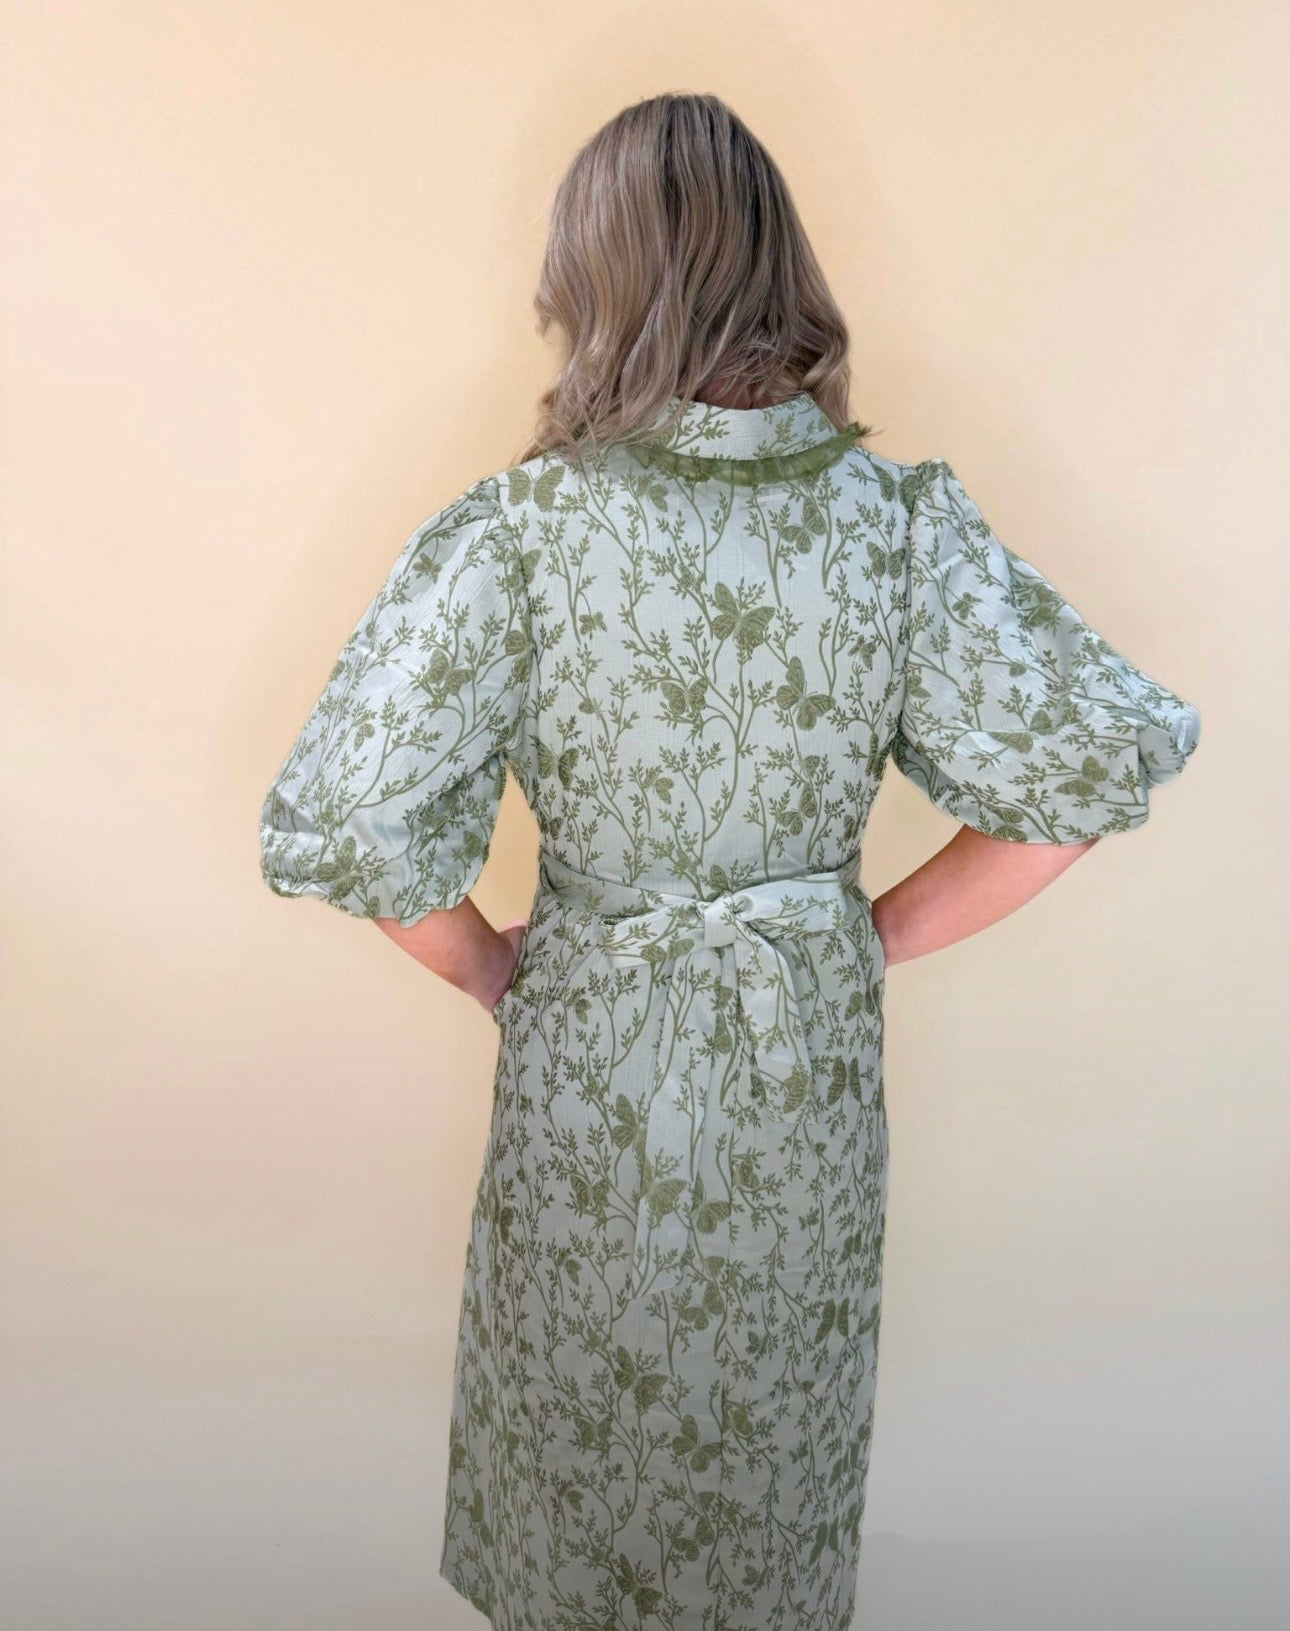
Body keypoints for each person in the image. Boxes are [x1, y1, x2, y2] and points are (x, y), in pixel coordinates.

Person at [258, 91, 1200, 1631]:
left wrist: (502, 965)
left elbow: (356, 823)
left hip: (588, 1051)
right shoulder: (892, 529)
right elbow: (1081, 776)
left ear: (594, 284)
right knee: (762, 1441)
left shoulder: (522, 530)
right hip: (801, 1067)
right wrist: (858, 937)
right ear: (781, 267)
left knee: (585, 1449)